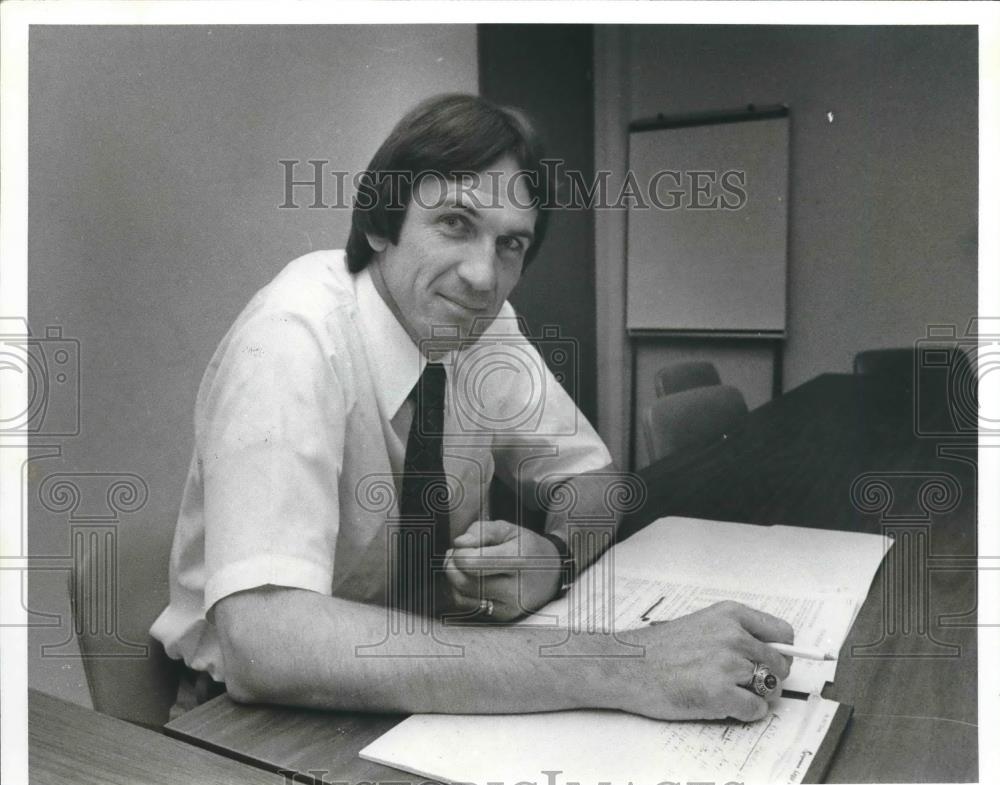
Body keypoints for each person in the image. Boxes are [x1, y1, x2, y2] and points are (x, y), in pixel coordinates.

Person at [150, 93, 793, 722]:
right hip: (255, 718)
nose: (484, 278)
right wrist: (621, 665)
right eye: (455, 223)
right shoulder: (292, 337)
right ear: (379, 222)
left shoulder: (482, 325)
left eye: (510, 244)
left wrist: (556, 558)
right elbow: (265, 643)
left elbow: (596, 482)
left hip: (433, 675)